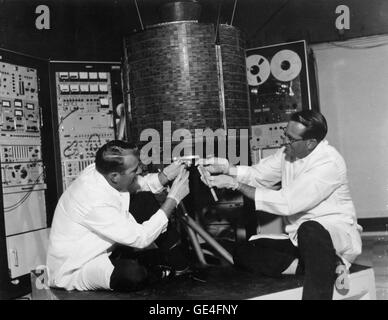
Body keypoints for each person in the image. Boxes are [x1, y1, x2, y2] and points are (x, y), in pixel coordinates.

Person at [198, 110, 362, 300]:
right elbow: (259, 175)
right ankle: (328, 265)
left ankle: (328, 266)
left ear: (311, 143)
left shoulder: (329, 163)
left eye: (290, 139)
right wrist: (228, 168)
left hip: (332, 235)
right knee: (244, 251)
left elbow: (287, 203)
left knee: (310, 229)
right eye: (285, 134)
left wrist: (234, 184)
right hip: (299, 239)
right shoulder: (289, 151)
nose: (284, 141)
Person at [46, 140, 191, 292]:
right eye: (135, 169)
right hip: (79, 266)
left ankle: (181, 266)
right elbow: (141, 238)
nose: (140, 170)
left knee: (143, 200)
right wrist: (173, 199)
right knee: (132, 274)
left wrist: (166, 175)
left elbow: (134, 183)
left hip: (101, 246)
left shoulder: (103, 170)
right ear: (114, 176)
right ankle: (155, 271)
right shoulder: (93, 199)